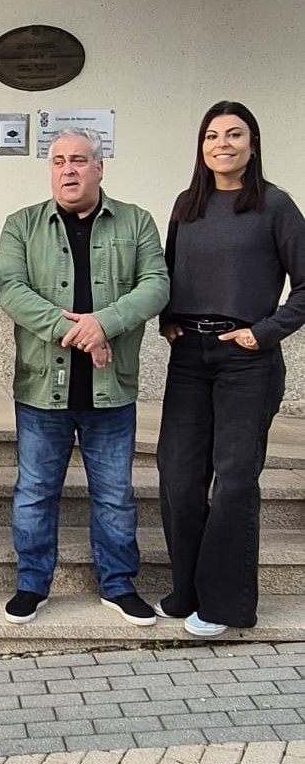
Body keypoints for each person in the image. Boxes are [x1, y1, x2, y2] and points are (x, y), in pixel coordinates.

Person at [0, 128, 169, 627]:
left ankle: (118, 583)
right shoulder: (21, 225)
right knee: (35, 491)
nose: (67, 169)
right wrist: (75, 332)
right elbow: (10, 288)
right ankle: (32, 583)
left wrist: (104, 324)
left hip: (110, 388)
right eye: (57, 161)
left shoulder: (136, 222)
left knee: (114, 493)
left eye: (78, 160)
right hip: (40, 389)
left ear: (99, 167)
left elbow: (156, 285)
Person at [156, 101, 305, 637]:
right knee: (177, 476)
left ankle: (227, 606)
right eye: (213, 135)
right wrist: (168, 318)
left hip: (247, 359)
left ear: (252, 144)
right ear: (201, 146)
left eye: (234, 134)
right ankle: (186, 593)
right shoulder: (186, 204)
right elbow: (170, 270)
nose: (223, 143)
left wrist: (264, 331)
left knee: (236, 481)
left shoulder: (275, 206)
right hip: (189, 358)